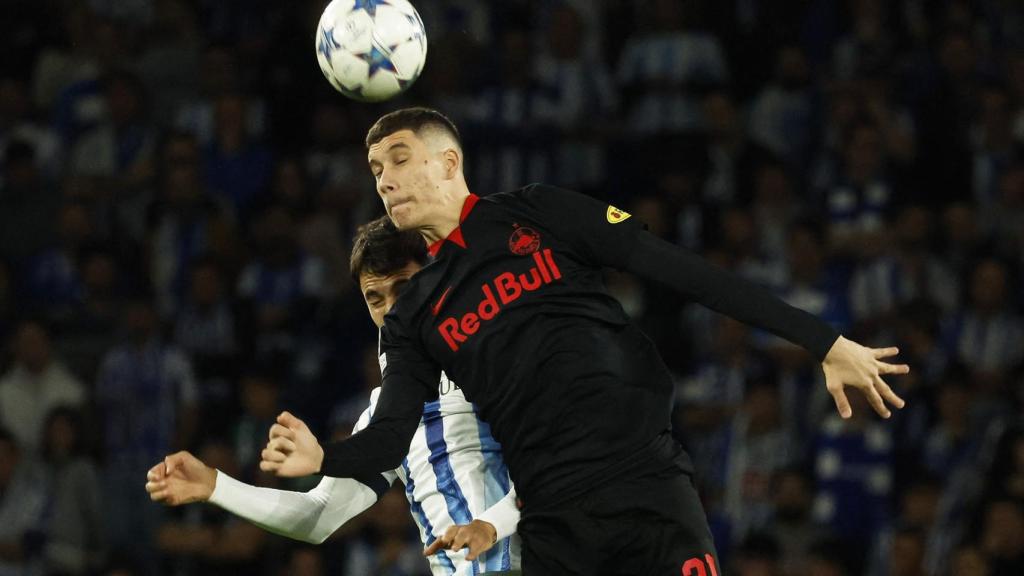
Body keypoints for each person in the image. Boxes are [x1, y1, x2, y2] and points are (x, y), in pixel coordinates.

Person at [258, 107, 910, 574]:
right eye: (375, 169)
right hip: (554, 525)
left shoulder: (540, 213)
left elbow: (686, 272)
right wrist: (326, 458)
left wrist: (821, 340)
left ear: (448, 161)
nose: (385, 179)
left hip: (647, 484)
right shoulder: (410, 319)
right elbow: (390, 434)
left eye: (398, 159)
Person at [146, 216, 521, 575]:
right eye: (376, 298)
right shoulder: (383, 419)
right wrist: (215, 486)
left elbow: (562, 469)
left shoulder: (503, 364)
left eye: (404, 288)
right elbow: (318, 516)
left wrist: (490, 525)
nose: (392, 310)